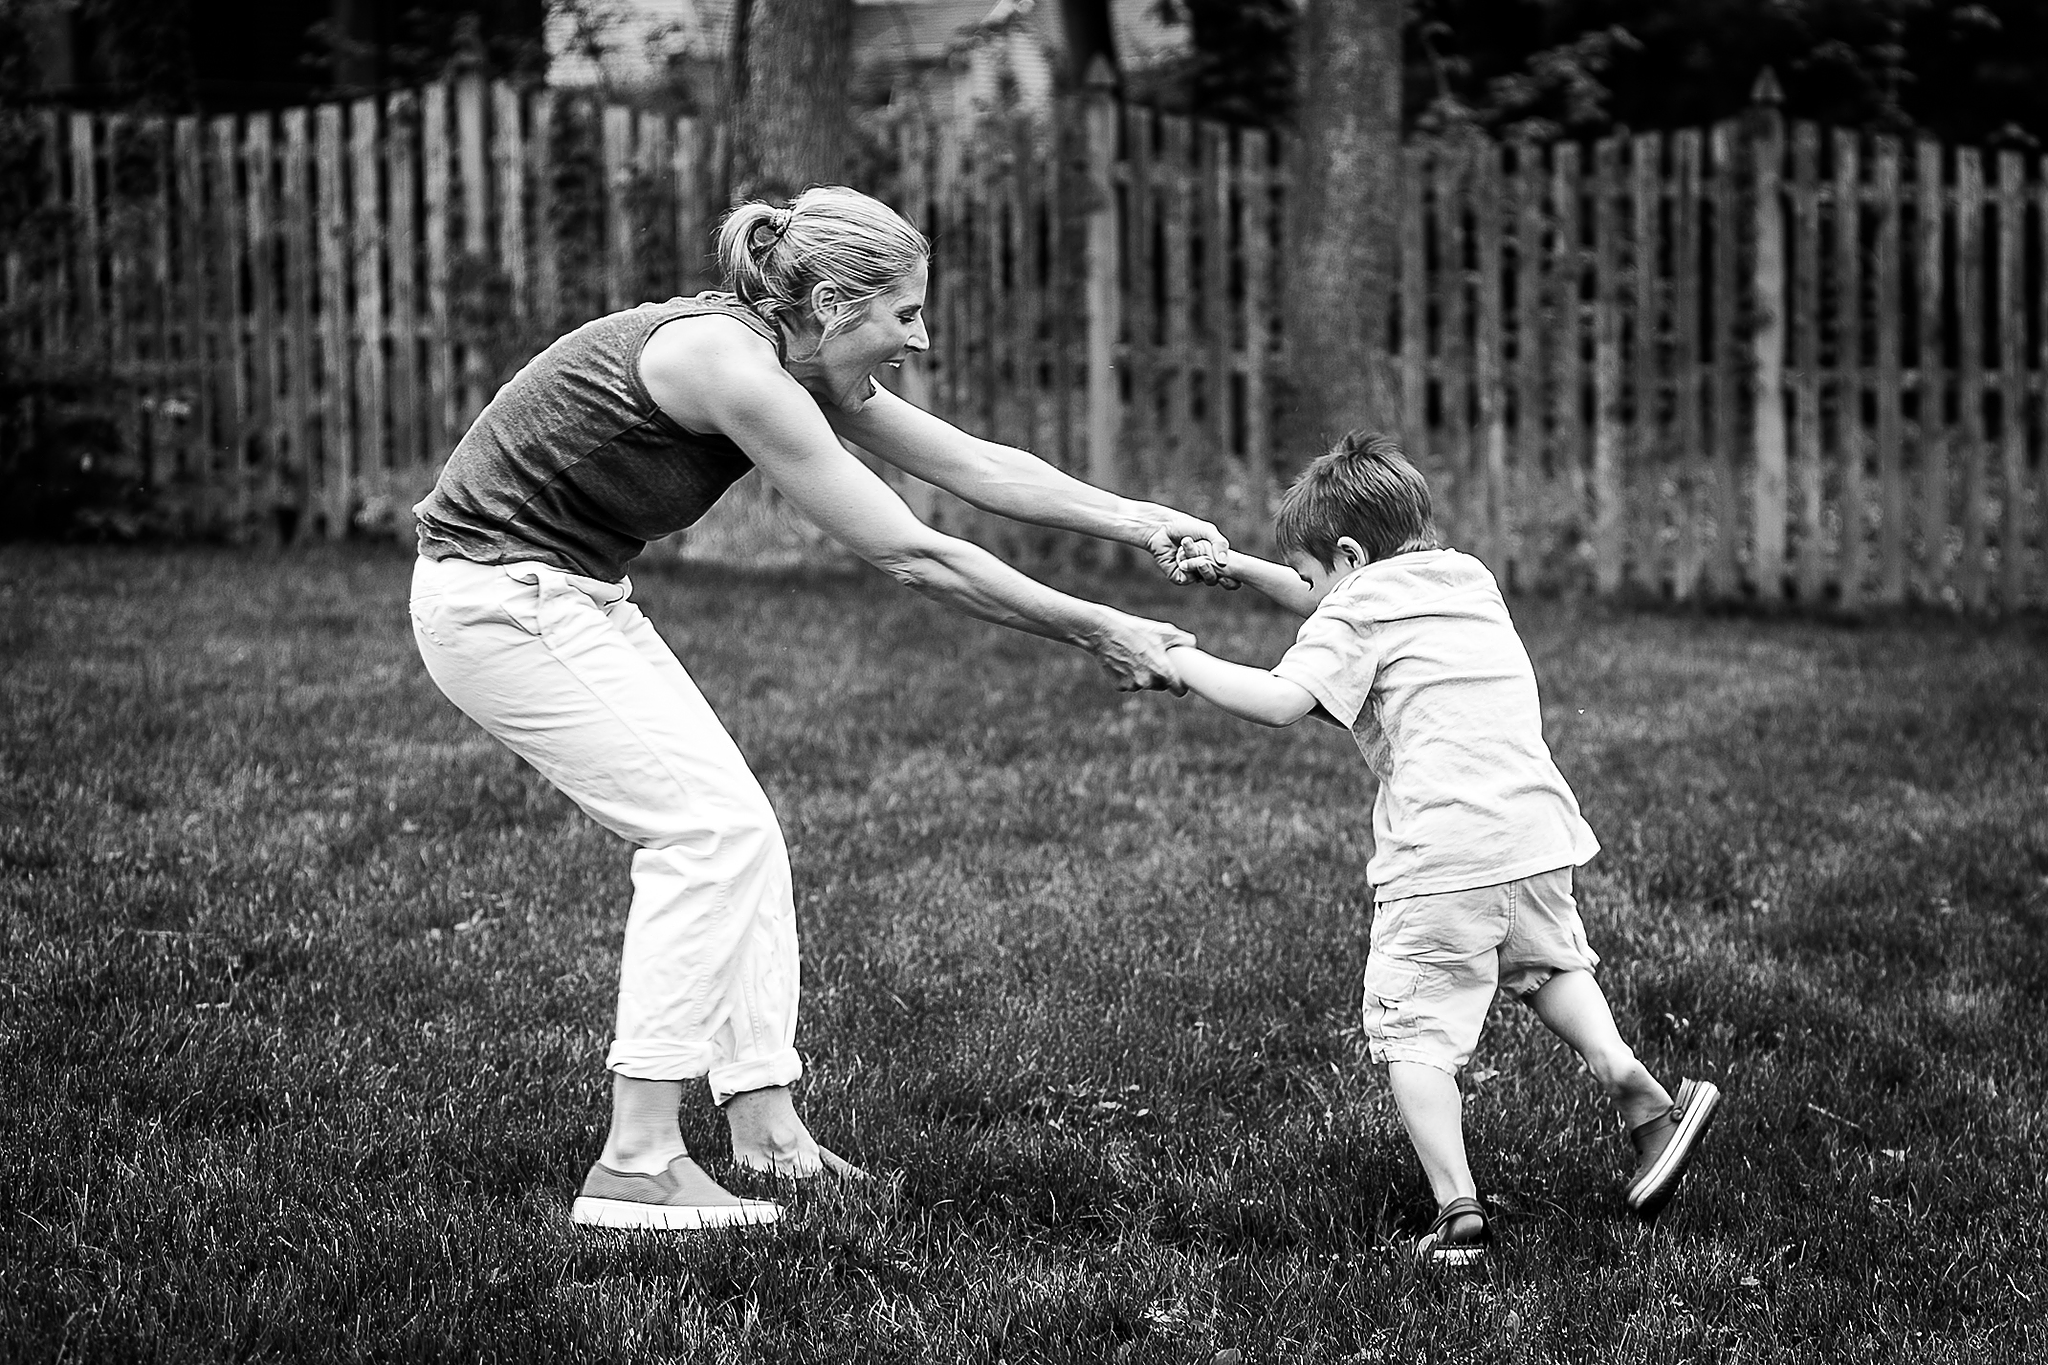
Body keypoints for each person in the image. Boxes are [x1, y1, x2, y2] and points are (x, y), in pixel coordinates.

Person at [407, 185, 1230, 1231]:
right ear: (836, 305)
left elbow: (973, 467)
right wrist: (1097, 628)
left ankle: (765, 1128)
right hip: (500, 599)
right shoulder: (728, 364)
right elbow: (911, 551)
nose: (920, 339)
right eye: (905, 315)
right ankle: (636, 1160)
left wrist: (1137, 520)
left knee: (738, 834)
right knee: (704, 836)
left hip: (570, 592)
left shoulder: (794, 354)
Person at [1160, 431, 1719, 1265]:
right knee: (1551, 966)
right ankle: (1640, 1096)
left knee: (1414, 1032)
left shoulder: (1353, 608)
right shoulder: (1466, 578)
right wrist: (1241, 568)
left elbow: (1283, 699)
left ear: (1348, 556)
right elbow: (1336, 602)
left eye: (1314, 575)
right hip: (1533, 833)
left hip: (1442, 854)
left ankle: (1458, 1207)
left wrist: (1183, 660)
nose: (1313, 593)